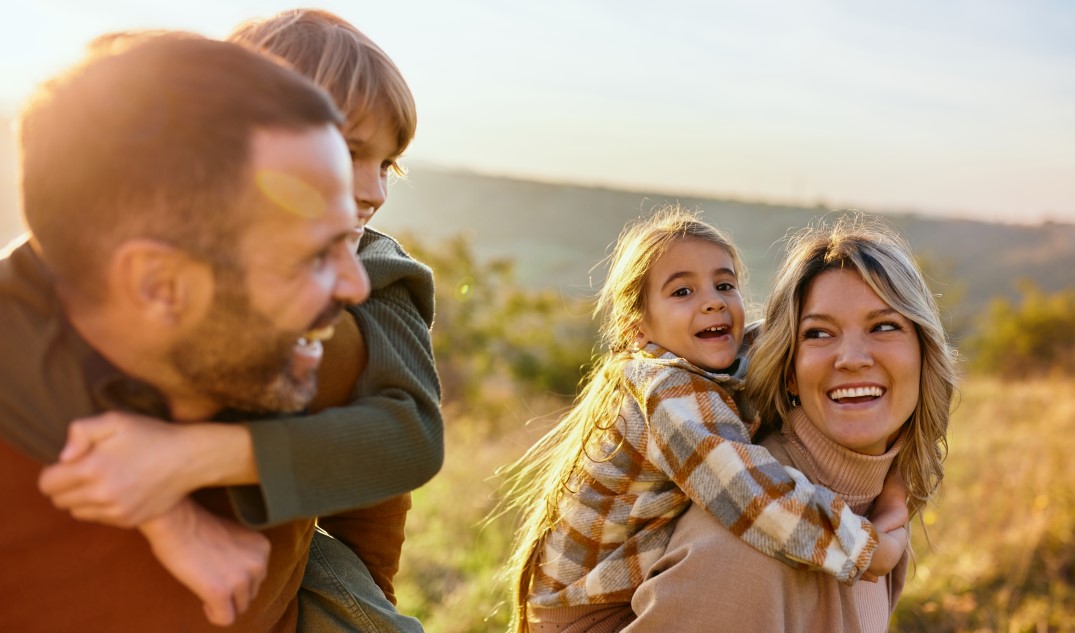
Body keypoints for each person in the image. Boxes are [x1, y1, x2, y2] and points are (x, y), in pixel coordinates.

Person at [31, 11, 440, 631]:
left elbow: (405, 444)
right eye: (348, 152)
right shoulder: (139, 245)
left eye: (387, 164)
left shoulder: (376, 274)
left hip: (274, 573)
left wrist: (199, 454)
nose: (375, 190)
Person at [502, 207, 909, 633]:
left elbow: (776, 341)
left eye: (724, 284)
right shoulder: (665, 389)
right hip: (586, 620)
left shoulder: (714, 363)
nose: (713, 300)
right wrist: (868, 550)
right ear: (637, 329)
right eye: (682, 292)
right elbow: (752, 493)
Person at [626, 214, 960, 632]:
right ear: (789, 371)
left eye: (884, 326)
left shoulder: (879, 511)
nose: (853, 358)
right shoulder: (747, 545)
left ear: (924, 355)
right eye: (819, 334)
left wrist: (898, 492)